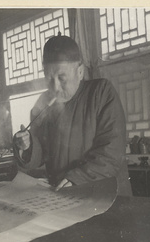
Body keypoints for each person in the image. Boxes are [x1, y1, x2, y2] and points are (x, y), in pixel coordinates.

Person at [13, 33, 132, 196]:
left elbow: (112, 152)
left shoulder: (101, 92)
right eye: (49, 78)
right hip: (62, 193)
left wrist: (78, 178)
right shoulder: (44, 101)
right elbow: (39, 155)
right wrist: (28, 146)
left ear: (80, 72)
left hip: (104, 193)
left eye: (62, 78)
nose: (55, 86)